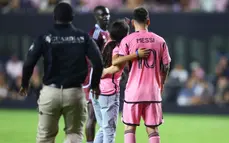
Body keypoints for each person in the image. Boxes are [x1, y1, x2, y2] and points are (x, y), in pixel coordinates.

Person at [19, 2, 103, 143]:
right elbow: (98, 62)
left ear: (54, 17)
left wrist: (24, 84)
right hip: (75, 92)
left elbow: (28, 63)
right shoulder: (83, 37)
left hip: (51, 92)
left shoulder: (45, 37)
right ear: (72, 16)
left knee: (45, 137)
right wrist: (95, 85)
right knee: (74, 134)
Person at [112, 7, 171, 143]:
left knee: (129, 127)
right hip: (153, 91)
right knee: (153, 129)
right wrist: (161, 84)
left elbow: (116, 61)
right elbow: (166, 66)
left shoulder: (127, 40)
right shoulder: (160, 40)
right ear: (148, 22)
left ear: (133, 23)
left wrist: (133, 56)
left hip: (134, 91)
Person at [91, 19, 149, 143]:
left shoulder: (107, 42)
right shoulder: (118, 47)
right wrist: (136, 54)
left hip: (96, 89)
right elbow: (116, 65)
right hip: (108, 92)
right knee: (109, 130)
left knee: (103, 128)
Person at [82, 5, 110, 143]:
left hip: (102, 76)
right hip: (93, 77)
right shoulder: (95, 33)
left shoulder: (106, 33)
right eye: (103, 15)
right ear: (96, 17)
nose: (106, 17)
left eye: (107, 15)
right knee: (92, 116)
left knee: (102, 118)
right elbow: (92, 58)